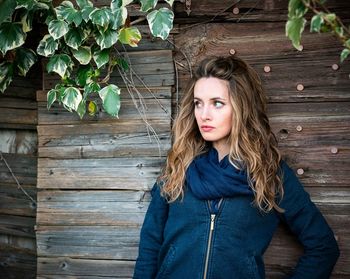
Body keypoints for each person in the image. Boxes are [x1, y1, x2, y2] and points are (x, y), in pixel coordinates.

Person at [133, 56, 340, 279]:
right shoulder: (178, 166)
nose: (204, 115)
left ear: (241, 107)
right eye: (198, 103)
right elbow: (149, 248)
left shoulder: (269, 174)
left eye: (217, 103)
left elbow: (323, 247)